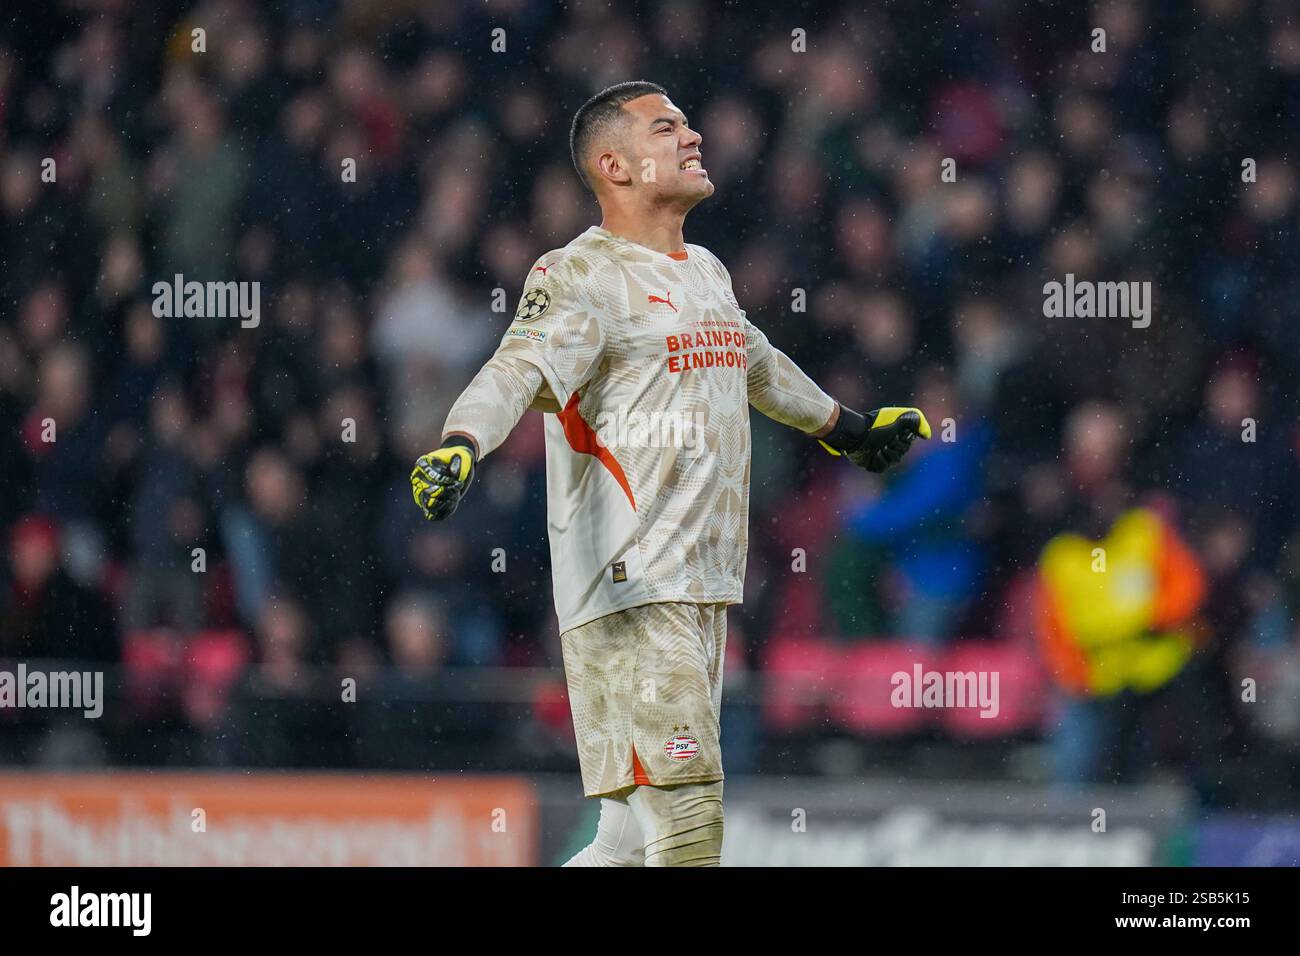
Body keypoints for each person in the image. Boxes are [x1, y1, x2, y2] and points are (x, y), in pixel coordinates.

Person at [408, 81, 930, 866]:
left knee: (624, 839)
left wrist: (846, 430)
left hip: (697, 584)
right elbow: (515, 368)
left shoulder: (706, 271)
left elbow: (754, 362)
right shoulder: (579, 275)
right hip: (632, 584)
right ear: (615, 166)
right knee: (690, 819)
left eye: (688, 124)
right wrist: (460, 443)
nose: (692, 137)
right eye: (667, 128)